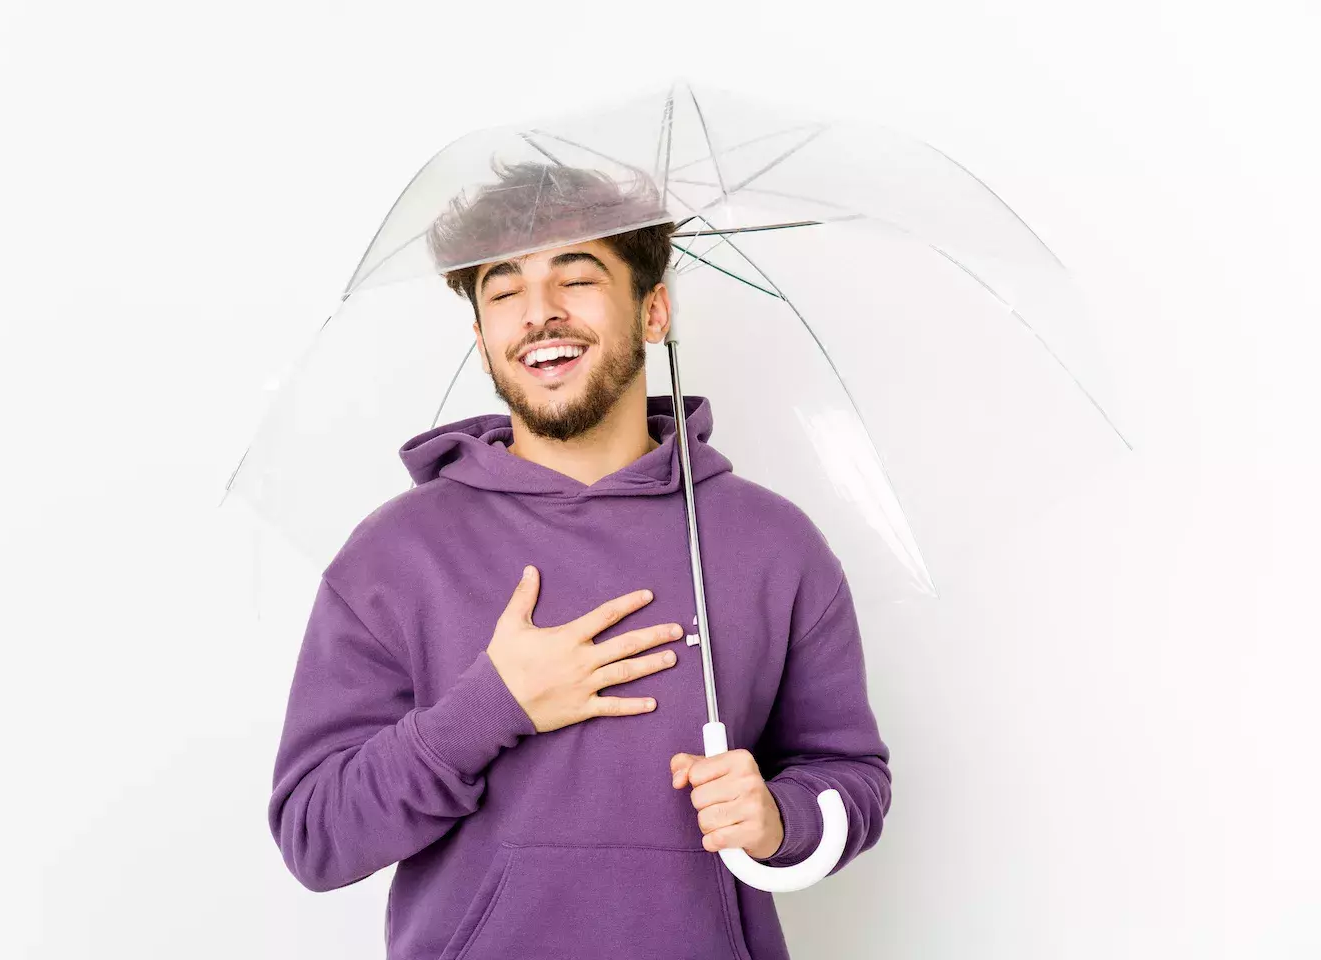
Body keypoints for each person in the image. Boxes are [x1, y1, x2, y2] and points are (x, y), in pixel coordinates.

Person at [267, 160, 893, 960]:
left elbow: (851, 775)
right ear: (481, 334)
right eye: (504, 291)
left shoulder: (772, 545)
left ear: (654, 309)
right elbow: (315, 837)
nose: (540, 314)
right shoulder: (396, 556)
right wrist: (489, 708)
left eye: (578, 277)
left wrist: (783, 818)